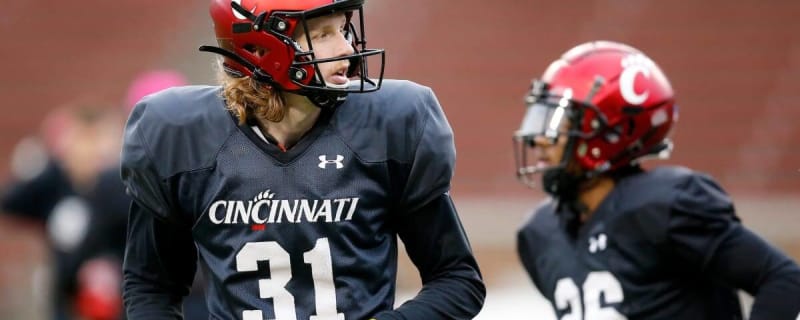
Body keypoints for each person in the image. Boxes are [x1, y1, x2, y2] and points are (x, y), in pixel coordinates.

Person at [120, 0, 486, 319]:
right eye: (324, 34)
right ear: (260, 48)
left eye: (343, 29)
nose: (346, 47)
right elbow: (151, 287)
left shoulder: (388, 124)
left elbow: (457, 280)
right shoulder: (183, 137)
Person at [513, 40, 800, 319]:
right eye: (539, 116)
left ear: (608, 132)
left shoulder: (664, 208)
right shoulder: (539, 234)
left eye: (556, 122)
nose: (538, 138)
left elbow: (781, 278)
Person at [1, 103, 127, 320]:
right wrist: (46, 163)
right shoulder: (56, 184)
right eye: (81, 140)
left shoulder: (121, 188)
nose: (88, 150)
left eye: (95, 140)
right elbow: (11, 201)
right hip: (66, 301)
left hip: (116, 302)